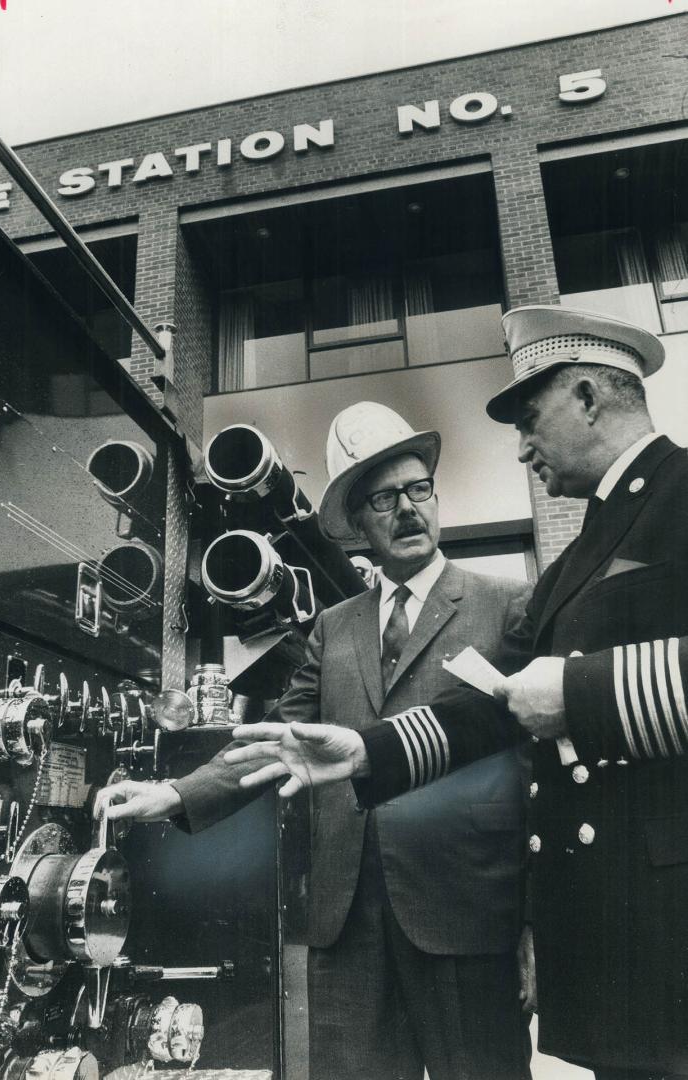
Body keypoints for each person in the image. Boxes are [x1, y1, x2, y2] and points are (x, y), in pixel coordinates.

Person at [227, 305, 688, 1080]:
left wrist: (582, 693)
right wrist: (367, 748)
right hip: (622, 934)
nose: (519, 449)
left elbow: (554, 697)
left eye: (529, 417)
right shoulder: (583, 550)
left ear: (585, 395)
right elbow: (502, 708)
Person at [96, 401, 531, 1080]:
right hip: (346, 924)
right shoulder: (333, 628)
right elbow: (278, 743)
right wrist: (176, 793)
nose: (408, 510)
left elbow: (536, 757)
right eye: (384, 499)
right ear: (357, 524)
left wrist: (535, 921)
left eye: (419, 490)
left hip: (465, 916)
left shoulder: (504, 604)